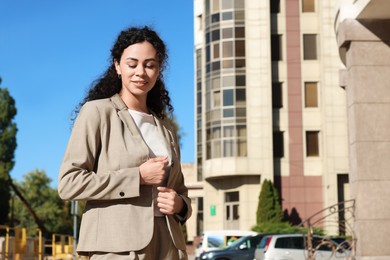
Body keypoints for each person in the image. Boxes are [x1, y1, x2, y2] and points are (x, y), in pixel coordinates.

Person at [58, 26, 191, 260]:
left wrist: (180, 205)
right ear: (118, 66)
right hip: (116, 248)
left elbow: (180, 191)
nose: (141, 72)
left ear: (159, 70)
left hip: (168, 246)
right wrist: (136, 176)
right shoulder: (97, 113)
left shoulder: (166, 131)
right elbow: (69, 183)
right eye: (132, 64)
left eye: (149, 65)